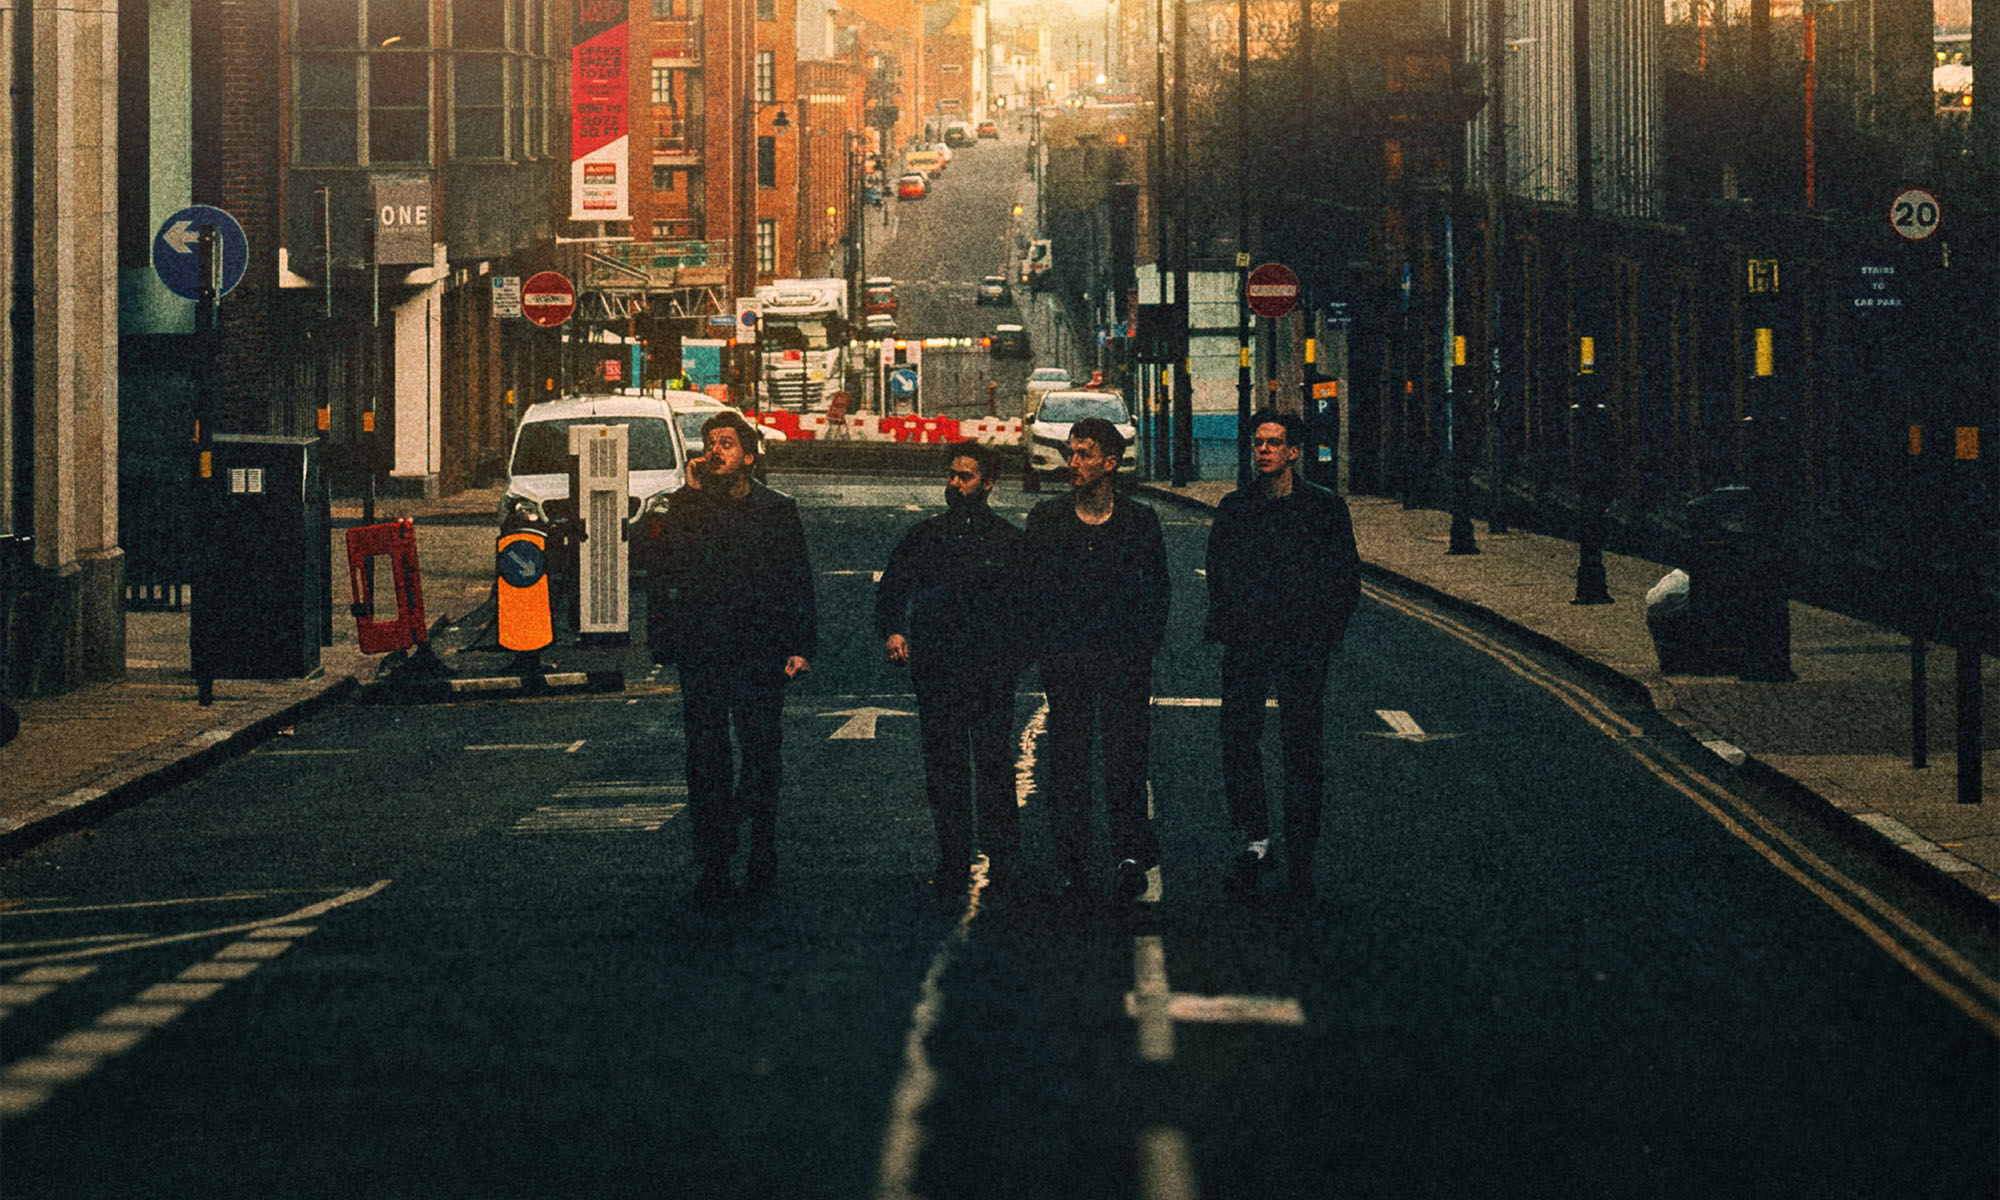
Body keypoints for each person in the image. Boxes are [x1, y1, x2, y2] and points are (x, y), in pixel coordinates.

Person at [644, 411, 816, 904]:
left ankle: (761, 849)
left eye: (726, 443)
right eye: (709, 443)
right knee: (705, 759)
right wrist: (689, 496)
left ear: (749, 455)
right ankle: (714, 862)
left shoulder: (776, 510)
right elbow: (663, 570)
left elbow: (796, 582)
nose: (715, 451)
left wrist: (800, 646)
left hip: (760, 652)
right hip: (703, 653)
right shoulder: (688, 506)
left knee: (761, 754)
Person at [1203, 408, 1360, 900]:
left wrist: (1326, 634)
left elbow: (1345, 579)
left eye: (1274, 443)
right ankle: (1257, 838)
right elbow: (1219, 573)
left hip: (1302, 646)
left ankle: (1301, 854)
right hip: (1248, 645)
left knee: (1302, 750)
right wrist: (1230, 625)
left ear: (1294, 451)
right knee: (1238, 741)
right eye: (1258, 443)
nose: (1264, 450)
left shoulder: (1324, 509)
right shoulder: (1235, 508)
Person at [1024, 416, 1171, 902]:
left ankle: (1130, 852)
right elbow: (1031, 593)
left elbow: (1157, 594)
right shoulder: (1046, 520)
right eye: (1071, 452)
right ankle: (1072, 859)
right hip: (1066, 662)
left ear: (1110, 463)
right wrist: (1046, 645)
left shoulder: (1140, 521)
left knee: (1127, 759)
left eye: (1085, 454)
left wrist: (1141, 647)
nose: (1074, 462)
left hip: (1124, 663)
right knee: (1068, 761)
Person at [874, 441, 1028, 895]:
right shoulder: (926, 536)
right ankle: (953, 857)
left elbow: (1029, 606)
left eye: (965, 477)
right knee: (945, 767)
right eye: (953, 475)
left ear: (988, 484)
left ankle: (1003, 857)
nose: (954, 483)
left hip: (990, 671)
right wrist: (893, 632)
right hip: (937, 669)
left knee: (995, 764)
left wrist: (1015, 657)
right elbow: (893, 588)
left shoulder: (1008, 540)